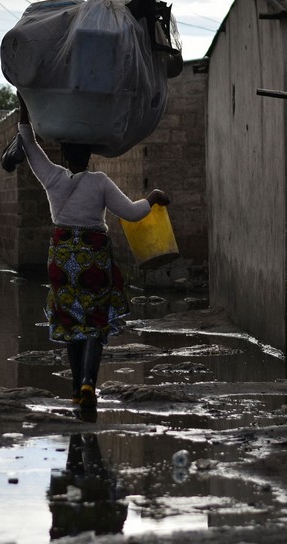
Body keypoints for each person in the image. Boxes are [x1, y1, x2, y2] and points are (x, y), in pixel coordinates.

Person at [17, 94, 169, 418]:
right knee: (95, 323)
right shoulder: (100, 182)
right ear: (90, 154)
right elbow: (130, 213)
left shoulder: (52, 177)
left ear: (62, 153)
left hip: (61, 259)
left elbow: (28, 143)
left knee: (71, 322)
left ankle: (76, 391)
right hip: (93, 260)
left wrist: (25, 102)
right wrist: (152, 197)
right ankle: (88, 382)